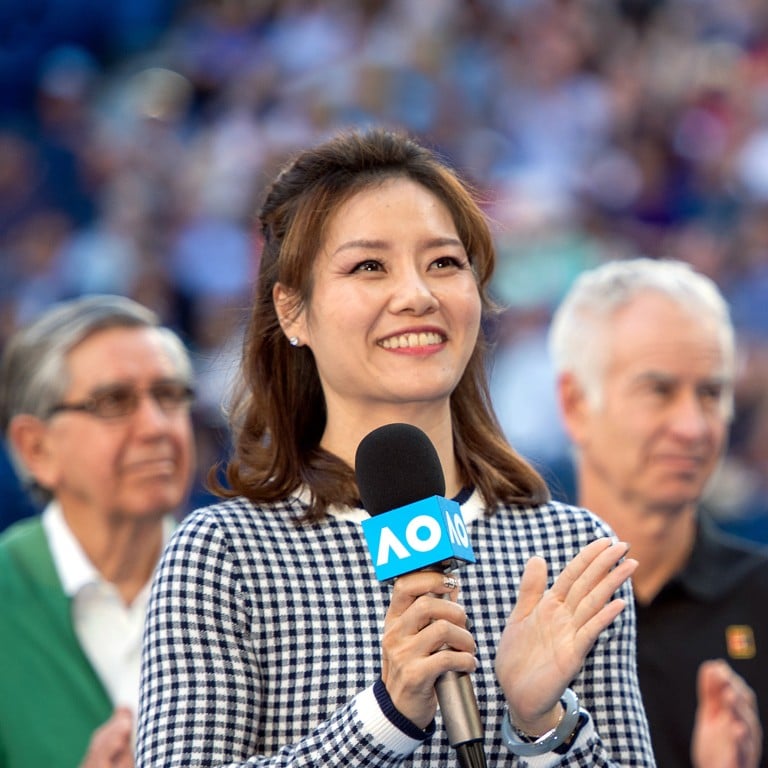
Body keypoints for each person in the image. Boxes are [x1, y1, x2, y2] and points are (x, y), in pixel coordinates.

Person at [135, 127, 655, 767]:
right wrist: (383, 719)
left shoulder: (569, 551)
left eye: (444, 262)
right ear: (293, 310)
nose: (417, 295)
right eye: (369, 266)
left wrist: (543, 723)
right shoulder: (224, 555)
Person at [549, 257, 767, 768]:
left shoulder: (760, 597)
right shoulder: (508, 602)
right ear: (576, 403)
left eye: (711, 393)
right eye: (659, 391)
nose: (692, 427)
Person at [0, 294, 197, 768]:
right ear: (35, 449)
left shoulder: (244, 578)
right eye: (114, 402)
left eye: (169, 395)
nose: (156, 426)